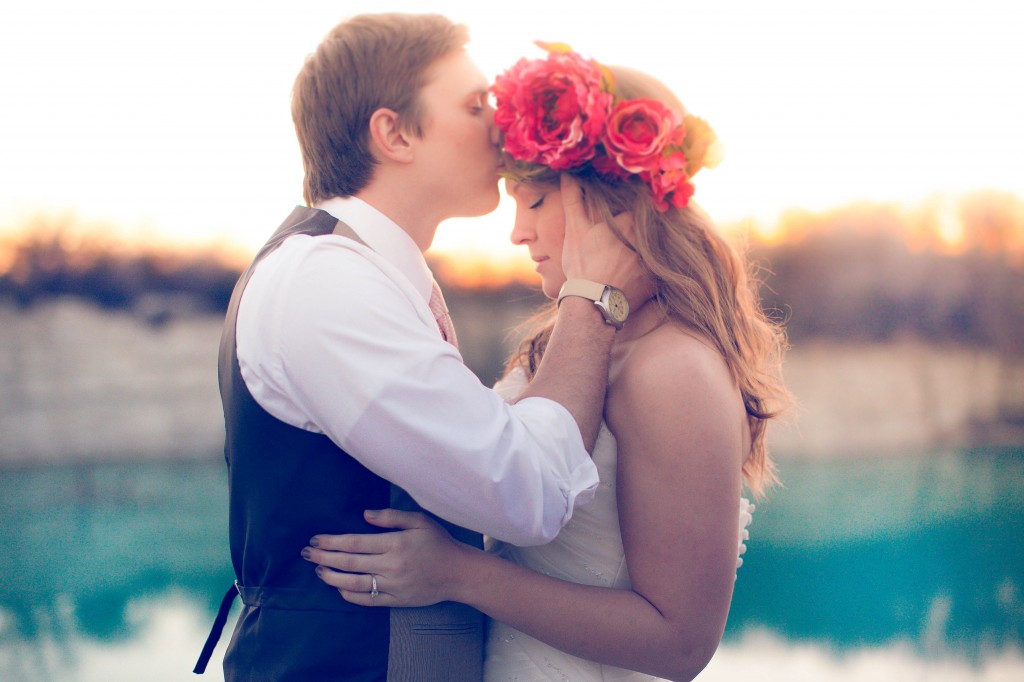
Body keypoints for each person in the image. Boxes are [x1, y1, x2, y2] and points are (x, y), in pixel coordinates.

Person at [303, 44, 791, 681]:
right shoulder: (581, 338)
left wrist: (456, 573)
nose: (517, 233)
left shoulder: (674, 369)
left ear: (615, 203)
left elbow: (679, 644)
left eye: (534, 202)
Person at [193, 18, 647, 682]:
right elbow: (528, 493)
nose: (498, 124)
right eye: (472, 106)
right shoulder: (328, 283)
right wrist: (592, 295)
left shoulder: (368, 272)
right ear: (395, 133)